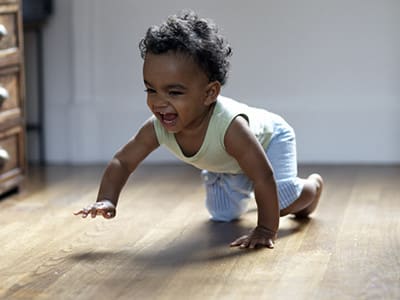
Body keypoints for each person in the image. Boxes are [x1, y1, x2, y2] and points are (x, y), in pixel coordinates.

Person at [74, 10, 323, 249]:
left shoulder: (231, 127)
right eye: (151, 90)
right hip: (230, 162)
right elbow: (123, 162)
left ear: (209, 93)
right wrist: (107, 198)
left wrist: (266, 229)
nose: (159, 102)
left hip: (270, 142)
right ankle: (239, 185)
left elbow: (263, 176)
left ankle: (312, 187)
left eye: (174, 92)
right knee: (222, 214)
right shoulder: (158, 127)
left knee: (280, 202)